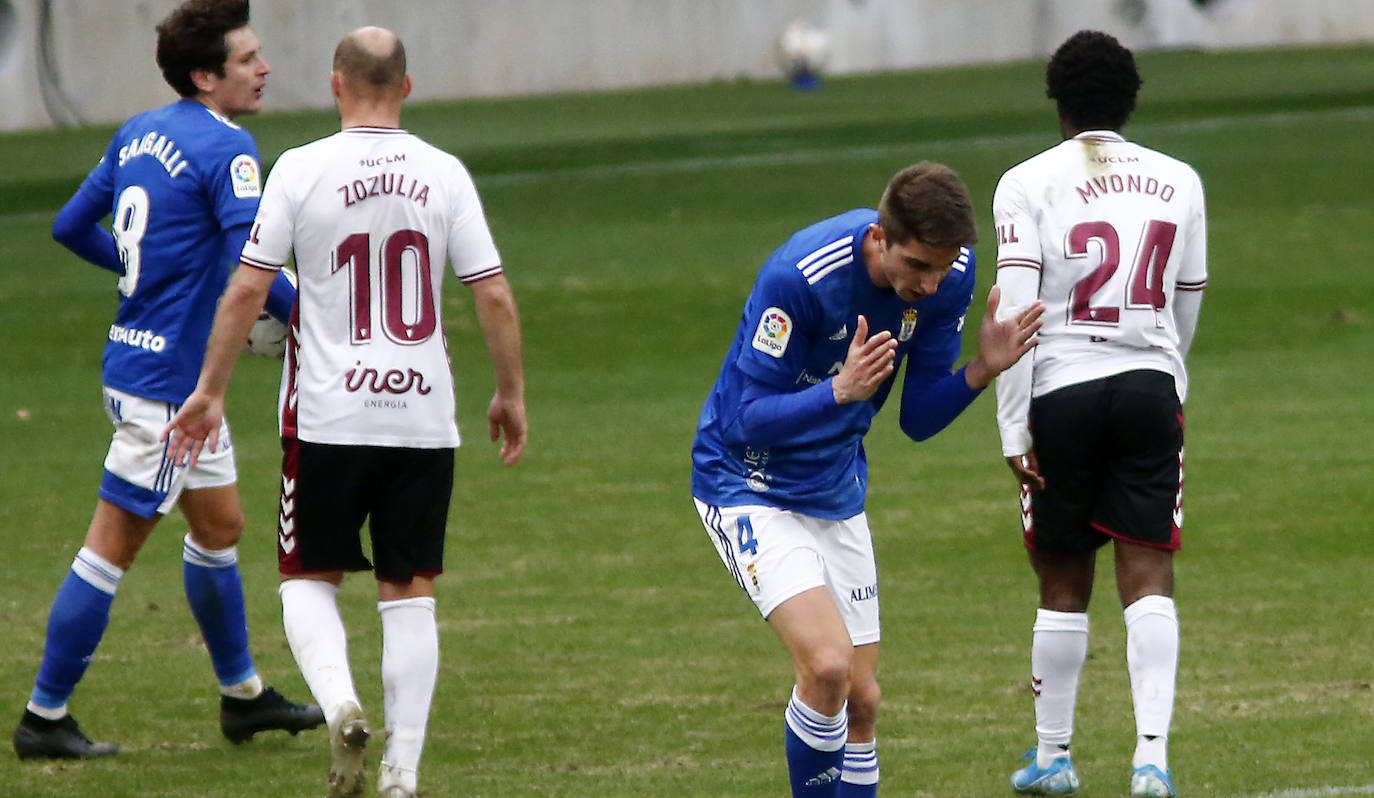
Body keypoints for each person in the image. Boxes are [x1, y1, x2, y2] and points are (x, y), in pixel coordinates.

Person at [164, 26, 528, 798]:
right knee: (411, 588)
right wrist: (510, 394)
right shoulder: (445, 173)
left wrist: (211, 389)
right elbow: (491, 291)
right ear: (407, 85)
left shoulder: (299, 169)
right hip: (423, 417)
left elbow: (248, 289)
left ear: (335, 84)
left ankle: (340, 703)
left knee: (306, 578)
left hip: (328, 416)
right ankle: (402, 773)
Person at [13, 0, 322, 762]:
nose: (264, 68)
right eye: (248, 59)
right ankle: (42, 716)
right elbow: (255, 268)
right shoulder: (229, 148)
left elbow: (69, 226)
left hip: (138, 361)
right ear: (206, 75)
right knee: (109, 550)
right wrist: (318, 325)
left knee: (219, 531)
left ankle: (243, 698)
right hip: (170, 392)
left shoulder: (137, 132)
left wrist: (147, 277)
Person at [691, 161, 1046, 797]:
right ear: (880, 238)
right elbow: (743, 422)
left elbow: (916, 418)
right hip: (748, 485)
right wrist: (838, 391)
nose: (930, 284)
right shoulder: (800, 279)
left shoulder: (949, 279)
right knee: (827, 666)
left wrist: (982, 370)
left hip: (835, 490)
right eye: (917, 266)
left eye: (942, 268)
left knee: (862, 701)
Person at [992, 30, 1207, 798]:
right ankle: (1151, 758)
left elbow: (1016, 308)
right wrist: (1160, 370)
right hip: (1149, 383)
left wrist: (1012, 426)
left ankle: (1054, 758)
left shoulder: (1024, 182)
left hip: (1060, 390)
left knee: (1061, 577)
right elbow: (1186, 302)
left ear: (1058, 105)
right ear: (1130, 99)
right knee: (1148, 570)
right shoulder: (1180, 180)